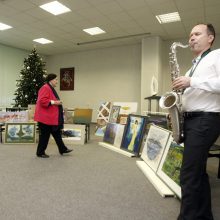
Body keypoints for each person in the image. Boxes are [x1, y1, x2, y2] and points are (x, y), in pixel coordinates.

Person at [173, 23, 220, 220]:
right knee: (198, 173)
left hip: (205, 119)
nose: (191, 37)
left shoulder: (217, 55)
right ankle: (203, 216)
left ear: (210, 38)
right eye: (191, 34)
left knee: (189, 174)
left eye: (197, 34)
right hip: (193, 120)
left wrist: (191, 82)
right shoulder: (195, 64)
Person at [34, 73, 73, 158]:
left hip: (50, 118)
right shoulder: (45, 88)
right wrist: (55, 102)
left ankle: (62, 149)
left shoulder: (49, 88)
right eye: (55, 80)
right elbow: (42, 101)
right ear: (51, 80)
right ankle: (40, 152)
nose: (57, 81)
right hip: (45, 118)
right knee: (45, 135)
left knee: (57, 133)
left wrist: (56, 102)